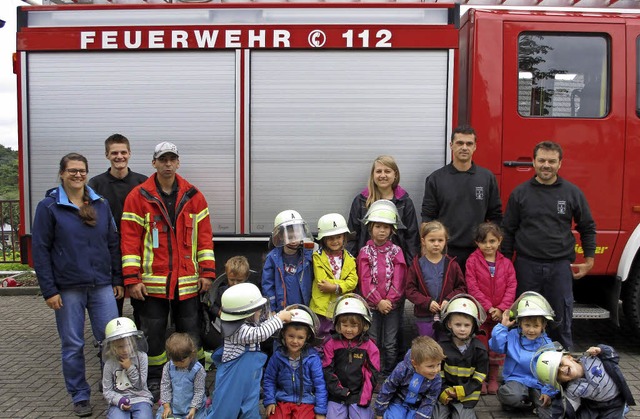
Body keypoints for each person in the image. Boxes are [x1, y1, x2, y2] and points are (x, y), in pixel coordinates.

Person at [120, 141, 216, 399]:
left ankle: (195, 377)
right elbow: (129, 243)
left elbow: (205, 240)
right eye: (163, 159)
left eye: (172, 159)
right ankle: (155, 379)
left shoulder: (194, 197)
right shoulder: (138, 197)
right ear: (154, 163)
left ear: (178, 162)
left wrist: (207, 273)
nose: (168, 164)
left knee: (191, 331)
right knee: (153, 334)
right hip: (152, 284)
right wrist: (132, 278)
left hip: (186, 281)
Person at [32, 152, 122, 417]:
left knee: (112, 341)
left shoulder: (100, 204)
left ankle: (115, 390)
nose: (78, 175)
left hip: (101, 285)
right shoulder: (48, 207)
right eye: (72, 170)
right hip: (68, 288)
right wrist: (49, 290)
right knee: (72, 344)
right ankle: (80, 395)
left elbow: (112, 243)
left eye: (82, 170)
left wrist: (116, 279)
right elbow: (41, 250)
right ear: (62, 173)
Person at [501, 140, 597, 352]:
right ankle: (522, 365)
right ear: (534, 162)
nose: (546, 165)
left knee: (560, 320)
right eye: (542, 160)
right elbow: (507, 230)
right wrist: (506, 264)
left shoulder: (572, 193)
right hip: (526, 266)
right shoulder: (520, 193)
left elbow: (587, 226)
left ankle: (561, 370)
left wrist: (589, 259)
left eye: (552, 161)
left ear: (560, 164)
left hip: (559, 267)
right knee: (524, 319)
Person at [420, 126, 502, 271]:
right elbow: (427, 218)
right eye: (459, 143)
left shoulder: (487, 178)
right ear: (451, 145)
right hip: (445, 252)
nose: (464, 147)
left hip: (479, 252)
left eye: (469, 144)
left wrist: (492, 248)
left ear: (475, 146)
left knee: (476, 294)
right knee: (447, 294)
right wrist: (425, 250)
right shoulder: (436, 179)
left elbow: (495, 216)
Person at [208, 282, 293, 418]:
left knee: (250, 405)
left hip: (250, 378)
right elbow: (259, 333)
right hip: (232, 380)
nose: (260, 312)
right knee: (226, 409)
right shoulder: (237, 330)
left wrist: (280, 319)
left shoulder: (247, 325)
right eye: (257, 310)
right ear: (245, 313)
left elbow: (260, 328)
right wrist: (279, 319)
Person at [89, 134, 148, 317]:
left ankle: (141, 338)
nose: (119, 156)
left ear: (130, 154)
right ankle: (113, 340)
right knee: (113, 302)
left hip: (138, 250)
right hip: (110, 252)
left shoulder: (142, 182)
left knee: (141, 300)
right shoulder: (96, 184)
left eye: (123, 152)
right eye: (114, 153)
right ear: (107, 155)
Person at [465, 222, 517, 394]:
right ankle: (480, 379)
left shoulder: (507, 263)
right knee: (481, 348)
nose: (488, 245)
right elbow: (472, 287)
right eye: (484, 241)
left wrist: (501, 309)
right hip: (481, 315)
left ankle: (493, 378)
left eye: (492, 241)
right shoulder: (472, 261)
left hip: (500, 317)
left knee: (497, 348)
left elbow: (511, 286)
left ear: (499, 241)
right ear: (477, 242)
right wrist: (488, 308)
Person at [357, 200, 407, 377]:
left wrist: (389, 301)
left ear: (392, 230)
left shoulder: (396, 251)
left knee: (390, 341)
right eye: (378, 226)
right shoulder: (365, 252)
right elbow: (364, 279)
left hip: (391, 306)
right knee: (373, 339)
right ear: (371, 228)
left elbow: (399, 278)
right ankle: (373, 372)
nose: (382, 230)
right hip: (372, 305)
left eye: (386, 227)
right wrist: (378, 301)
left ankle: (389, 374)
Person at [489, 291, 557, 417]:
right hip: (516, 379)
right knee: (512, 397)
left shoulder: (547, 345)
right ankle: (511, 399)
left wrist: (548, 392)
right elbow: (496, 347)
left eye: (536, 326)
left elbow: (553, 371)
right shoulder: (513, 335)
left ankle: (529, 402)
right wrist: (502, 327)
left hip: (538, 383)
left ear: (544, 326)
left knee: (547, 408)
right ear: (519, 323)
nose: (531, 330)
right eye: (527, 325)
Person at [348, 155, 420, 264]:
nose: (383, 175)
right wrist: (352, 266)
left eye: (387, 171)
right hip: (366, 266)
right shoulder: (361, 201)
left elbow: (412, 239)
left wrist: (410, 268)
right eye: (378, 171)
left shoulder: (404, 202)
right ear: (373, 174)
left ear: (395, 174)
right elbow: (352, 237)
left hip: (396, 267)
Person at [534, 344, 636, 418]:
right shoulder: (572, 389)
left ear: (569, 357)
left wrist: (601, 350)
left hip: (616, 402)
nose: (562, 370)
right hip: (594, 406)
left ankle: (623, 409)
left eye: (560, 364)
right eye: (558, 374)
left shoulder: (592, 358)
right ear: (560, 381)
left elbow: (613, 356)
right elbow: (565, 407)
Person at [263, 305, 328, 419]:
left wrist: (320, 411)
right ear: (283, 334)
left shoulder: (312, 358)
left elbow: (320, 385)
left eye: (300, 337)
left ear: (307, 337)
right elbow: (269, 380)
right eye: (291, 336)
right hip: (282, 400)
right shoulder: (278, 356)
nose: (295, 341)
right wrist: (270, 401)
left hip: (306, 402)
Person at [405, 221, 466, 339]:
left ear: (445, 241)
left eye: (440, 240)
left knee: (445, 347)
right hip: (424, 316)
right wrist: (426, 302)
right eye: (432, 240)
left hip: (447, 316)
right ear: (423, 241)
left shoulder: (452, 264)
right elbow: (410, 290)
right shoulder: (417, 265)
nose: (436, 244)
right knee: (427, 348)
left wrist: (449, 299)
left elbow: (461, 287)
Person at [323, 294, 380, 418]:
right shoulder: (331, 344)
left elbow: (372, 374)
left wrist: (363, 397)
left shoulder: (370, 346)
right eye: (345, 325)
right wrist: (339, 391)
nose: (349, 329)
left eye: (354, 326)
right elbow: (327, 370)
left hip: (358, 395)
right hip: (337, 394)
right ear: (338, 324)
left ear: (363, 325)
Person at [433, 294, 488, 419]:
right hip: (444, 395)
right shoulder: (441, 347)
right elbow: (437, 373)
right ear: (449, 325)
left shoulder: (479, 350)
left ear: (473, 326)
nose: (462, 329)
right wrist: (444, 391)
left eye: (467, 325)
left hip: (467, 397)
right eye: (458, 325)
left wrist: (460, 391)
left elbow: (479, 377)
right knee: (437, 417)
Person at [310, 213, 358, 339]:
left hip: (342, 306)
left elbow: (353, 281)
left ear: (344, 237)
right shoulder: (317, 257)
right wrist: (343, 284)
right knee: (321, 337)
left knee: (340, 336)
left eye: (338, 237)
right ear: (323, 239)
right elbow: (322, 282)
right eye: (330, 238)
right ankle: (321, 358)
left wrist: (335, 287)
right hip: (322, 307)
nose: (335, 241)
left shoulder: (350, 259)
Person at [374, 336, 445, 419]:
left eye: (438, 364)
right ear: (415, 364)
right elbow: (388, 388)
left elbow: (429, 401)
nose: (436, 370)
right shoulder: (402, 369)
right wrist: (379, 411)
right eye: (430, 366)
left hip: (417, 406)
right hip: (398, 401)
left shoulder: (436, 379)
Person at [200, 255, 261, 351]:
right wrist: (219, 312)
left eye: (239, 280)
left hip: (247, 329)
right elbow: (213, 307)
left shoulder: (251, 291)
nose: (235, 283)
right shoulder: (222, 291)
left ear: (247, 276)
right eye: (231, 280)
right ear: (226, 275)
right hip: (225, 330)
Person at [101, 317, 154, 419]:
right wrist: (119, 401)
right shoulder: (109, 364)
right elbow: (107, 391)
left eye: (128, 344)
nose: (125, 350)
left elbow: (140, 385)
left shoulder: (142, 357)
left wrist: (130, 368)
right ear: (112, 346)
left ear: (134, 342)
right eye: (120, 347)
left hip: (141, 398)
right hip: (119, 402)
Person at [262, 209, 314, 312]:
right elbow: (268, 285)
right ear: (280, 236)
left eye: (297, 236)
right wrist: (271, 308)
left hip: (305, 308)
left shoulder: (309, 256)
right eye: (289, 237)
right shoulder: (273, 258)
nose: (294, 241)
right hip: (282, 309)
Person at [156, 333, 206, 419]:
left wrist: (194, 408)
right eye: (175, 361)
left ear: (191, 354)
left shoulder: (198, 370)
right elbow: (165, 387)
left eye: (182, 361)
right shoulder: (168, 367)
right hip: (173, 407)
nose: (179, 364)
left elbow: (199, 391)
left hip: (193, 407)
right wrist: (167, 406)